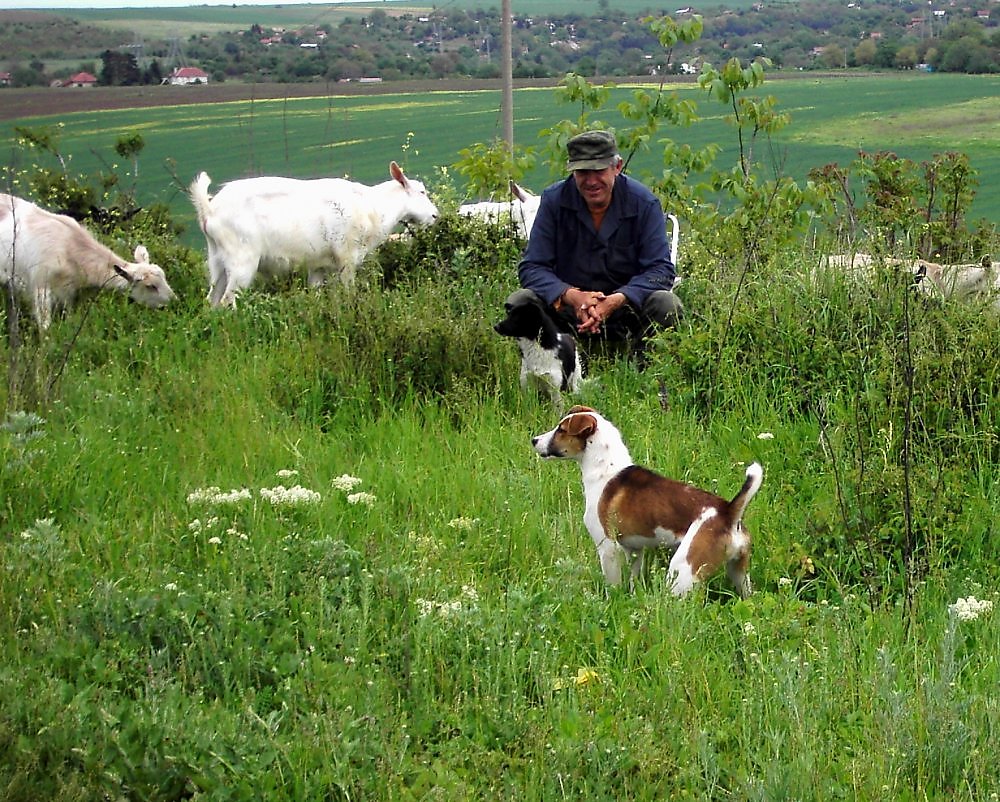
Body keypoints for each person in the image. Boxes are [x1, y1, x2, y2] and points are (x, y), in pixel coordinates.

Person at [502, 129, 682, 354]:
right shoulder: (554, 201)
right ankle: (548, 371)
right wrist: (572, 296)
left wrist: (618, 299)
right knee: (521, 301)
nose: (591, 181)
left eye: (598, 171)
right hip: (567, 311)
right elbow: (532, 267)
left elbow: (661, 270)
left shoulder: (644, 203)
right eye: (582, 172)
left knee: (666, 304)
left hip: (625, 308)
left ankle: (649, 377)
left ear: (617, 167)